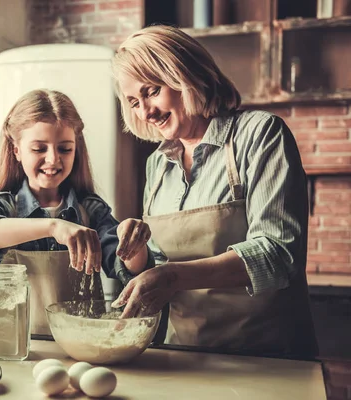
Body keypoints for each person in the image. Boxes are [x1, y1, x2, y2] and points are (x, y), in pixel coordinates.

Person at [109, 25, 318, 358]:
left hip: (266, 357)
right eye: (134, 102)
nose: (145, 112)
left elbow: (279, 254)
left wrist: (173, 276)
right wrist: (136, 252)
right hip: (187, 357)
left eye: (151, 91)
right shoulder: (157, 164)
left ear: (186, 75)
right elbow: (161, 266)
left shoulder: (259, 134)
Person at [0, 89, 153, 335]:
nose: (53, 160)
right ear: (16, 150)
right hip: (12, 346)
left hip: (80, 345)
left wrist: (134, 241)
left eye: (65, 149)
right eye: (39, 149)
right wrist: (54, 227)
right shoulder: (2, 207)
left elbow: (129, 268)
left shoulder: (90, 210)